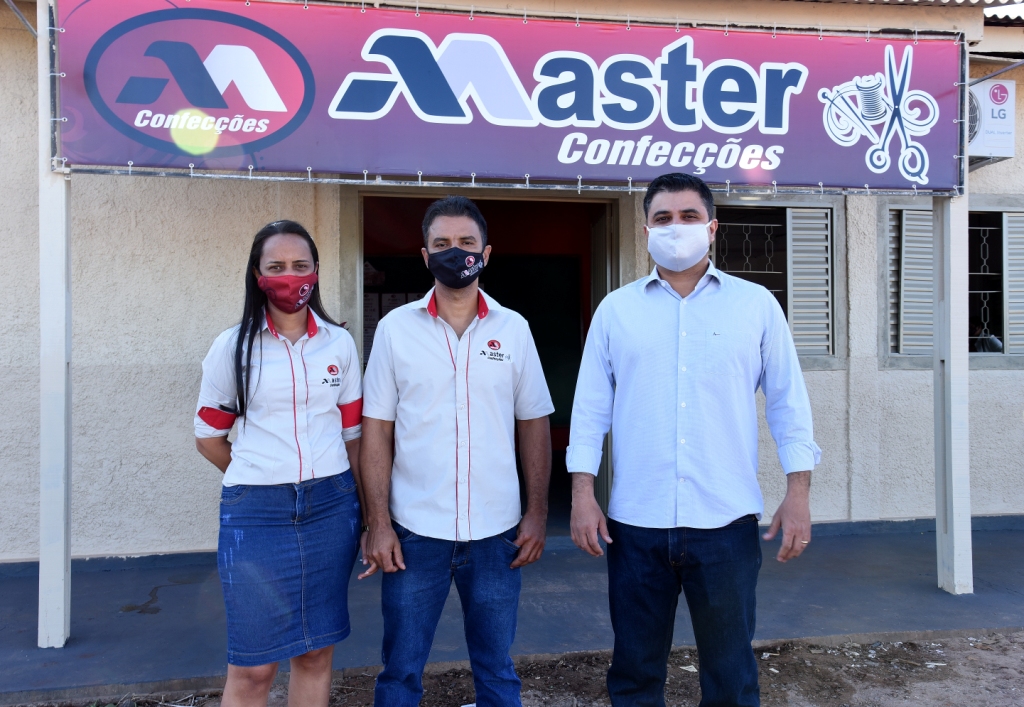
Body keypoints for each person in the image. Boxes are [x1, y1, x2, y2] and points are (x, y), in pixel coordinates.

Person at [567, 173, 821, 707]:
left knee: (731, 677)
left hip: (725, 523)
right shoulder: (616, 311)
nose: (675, 227)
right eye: (663, 218)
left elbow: (788, 404)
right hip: (637, 524)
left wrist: (798, 492)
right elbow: (589, 411)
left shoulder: (756, 306)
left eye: (689, 216)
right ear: (645, 231)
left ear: (712, 228)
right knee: (635, 673)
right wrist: (582, 494)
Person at [360, 195, 554, 707]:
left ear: (485, 253)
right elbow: (376, 431)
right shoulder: (395, 329)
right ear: (425, 256)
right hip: (414, 532)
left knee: (497, 670)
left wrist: (537, 513)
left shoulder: (514, 329)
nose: (455, 252)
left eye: (466, 242)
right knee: (400, 671)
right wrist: (378, 523)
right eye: (442, 243)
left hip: (496, 532)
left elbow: (533, 423)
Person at [194, 220, 365, 707]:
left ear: (316, 271)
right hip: (256, 514)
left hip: (332, 507)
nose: (290, 276)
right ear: (257, 275)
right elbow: (208, 438)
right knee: (253, 667)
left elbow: (352, 437)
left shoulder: (339, 344)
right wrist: (257, 475)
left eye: (300, 265)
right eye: (276, 267)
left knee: (314, 654)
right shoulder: (232, 347)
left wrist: (370, 514)